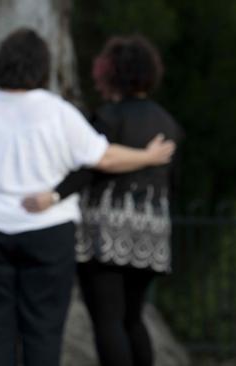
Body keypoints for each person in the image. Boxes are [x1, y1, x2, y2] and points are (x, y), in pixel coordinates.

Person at [0, 28, 175, 366]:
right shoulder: (58, 112)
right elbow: (103, 157)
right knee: (44, 330)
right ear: (43, 67)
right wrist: (147, 157)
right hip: (49, 232)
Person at [23, 35, 182, 366]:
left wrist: (53, 196)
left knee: (107, 319)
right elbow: (173, 181)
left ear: (111, 73)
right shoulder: (169, 123)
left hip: (105, 227)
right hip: (152, 226)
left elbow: (91, 168)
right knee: (134, 317)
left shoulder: (108, 117)